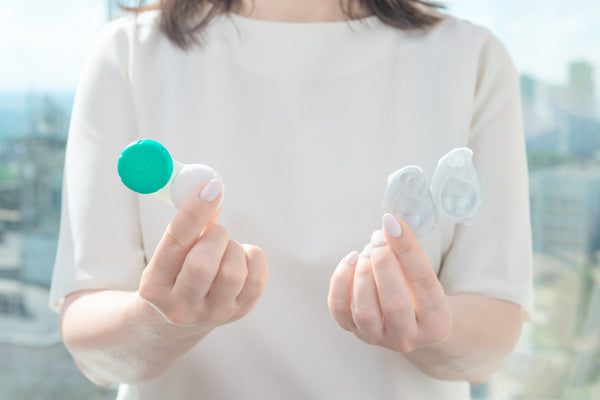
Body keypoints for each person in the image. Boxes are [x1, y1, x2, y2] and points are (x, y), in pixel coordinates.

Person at [50, 0, 534, 399]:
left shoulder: (471, 59)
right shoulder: (129, 53)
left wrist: (436, 328)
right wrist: (157, 320)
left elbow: (493, 337)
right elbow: (91, 345)